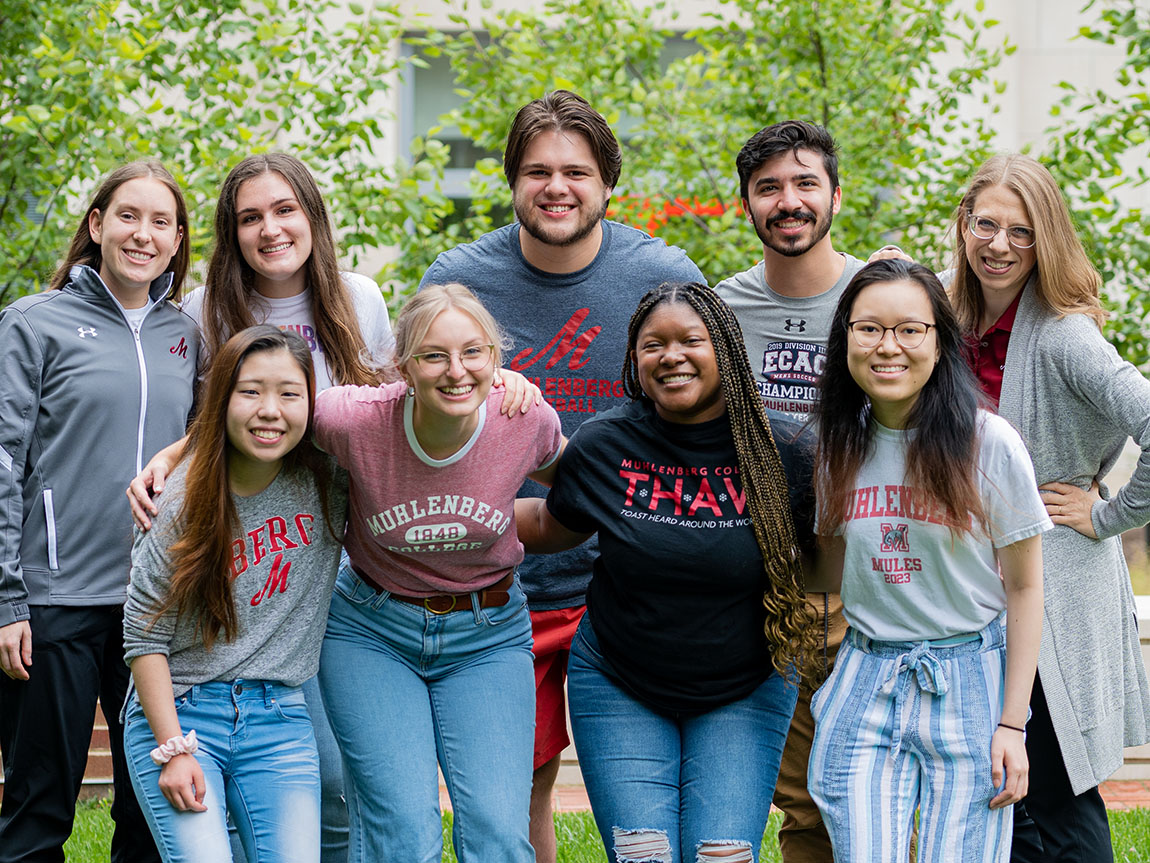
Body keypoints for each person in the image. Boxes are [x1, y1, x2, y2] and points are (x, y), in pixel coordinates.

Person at [420, 89, 704, 862]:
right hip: (511, 582)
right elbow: (415, 416)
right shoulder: (459, 281)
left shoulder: (664, 273)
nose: (556, 187)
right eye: (537, 170)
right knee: (524, 784)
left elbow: (708, 407)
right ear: (511, 180)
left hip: (632, 576)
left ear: (608, 183)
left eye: (576, 171)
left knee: (641, 792)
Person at [516, 281, 819, 863]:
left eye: (690, 340)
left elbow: (829, 551)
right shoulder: (607, 444)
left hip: (746, 682)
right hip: (621, 680)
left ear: (725, 348)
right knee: (644, 855)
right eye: (653, 344)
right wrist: (444, 512)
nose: (671, 356)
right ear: (634, 359)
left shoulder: (783, 449)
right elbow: (553, 526)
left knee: (721, 857)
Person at [807, 259, 1048, 862]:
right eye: (869, 329)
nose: (888, 347)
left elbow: (1024, 590)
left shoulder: (989, 443)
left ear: (939, 342)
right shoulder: (837, 445)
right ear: (846, 342)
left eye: (909, 330)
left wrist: (1012, 726)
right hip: (866, 674)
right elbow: (829, 576)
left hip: (970, 678)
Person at [314, 283, 564, 863]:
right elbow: (255, 421)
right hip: (372, 631)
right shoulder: (353, 420)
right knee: (402, 834)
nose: (457, 371)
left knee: (499, 833)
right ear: (403, 366)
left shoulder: (522, 419)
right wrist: (172, 459)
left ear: (496, 359)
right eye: (434, 355)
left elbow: (575, 483)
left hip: (489, 633)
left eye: (474, 352)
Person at [948, 154, 1150, 862]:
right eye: (987, 224)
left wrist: (1107, 514)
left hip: (1055, 590)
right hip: (979, 587)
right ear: (964, 224)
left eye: (1022, 232)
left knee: (1059, 801)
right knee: (1010, 804)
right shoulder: (953, 317)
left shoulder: (1063, 335)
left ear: (1046, 240)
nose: (999, 244)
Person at [0, 160, 196, 862]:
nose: (142, 234)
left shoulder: (187, 335)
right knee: (37, 804)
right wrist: (7, 601)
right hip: (52, 602)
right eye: (127, 215)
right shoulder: (33, 323)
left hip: (155, 606)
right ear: (97, 224)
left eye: (160, 222)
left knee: (150, 812)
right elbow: (2, 460)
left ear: (178, 241)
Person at [123, 326, 347, 863]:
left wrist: (498, 381)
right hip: (183, 713)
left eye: (290, 394)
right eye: (250, 392)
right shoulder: (176, 499)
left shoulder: (331, 478)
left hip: (281, 716)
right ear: (222, 398)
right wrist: (173, 751)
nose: (270, 410)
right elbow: (142, 636)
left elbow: (410, 409)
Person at [713, 119, 865, 862]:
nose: (789, 201)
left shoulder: (886, 297)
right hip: (771, 589)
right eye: (769, 187)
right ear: (746, 204)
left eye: (806, 183)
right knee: (804, 803)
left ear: (836, 194)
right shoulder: (717, 314)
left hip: (878, 584)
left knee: (881, 793)